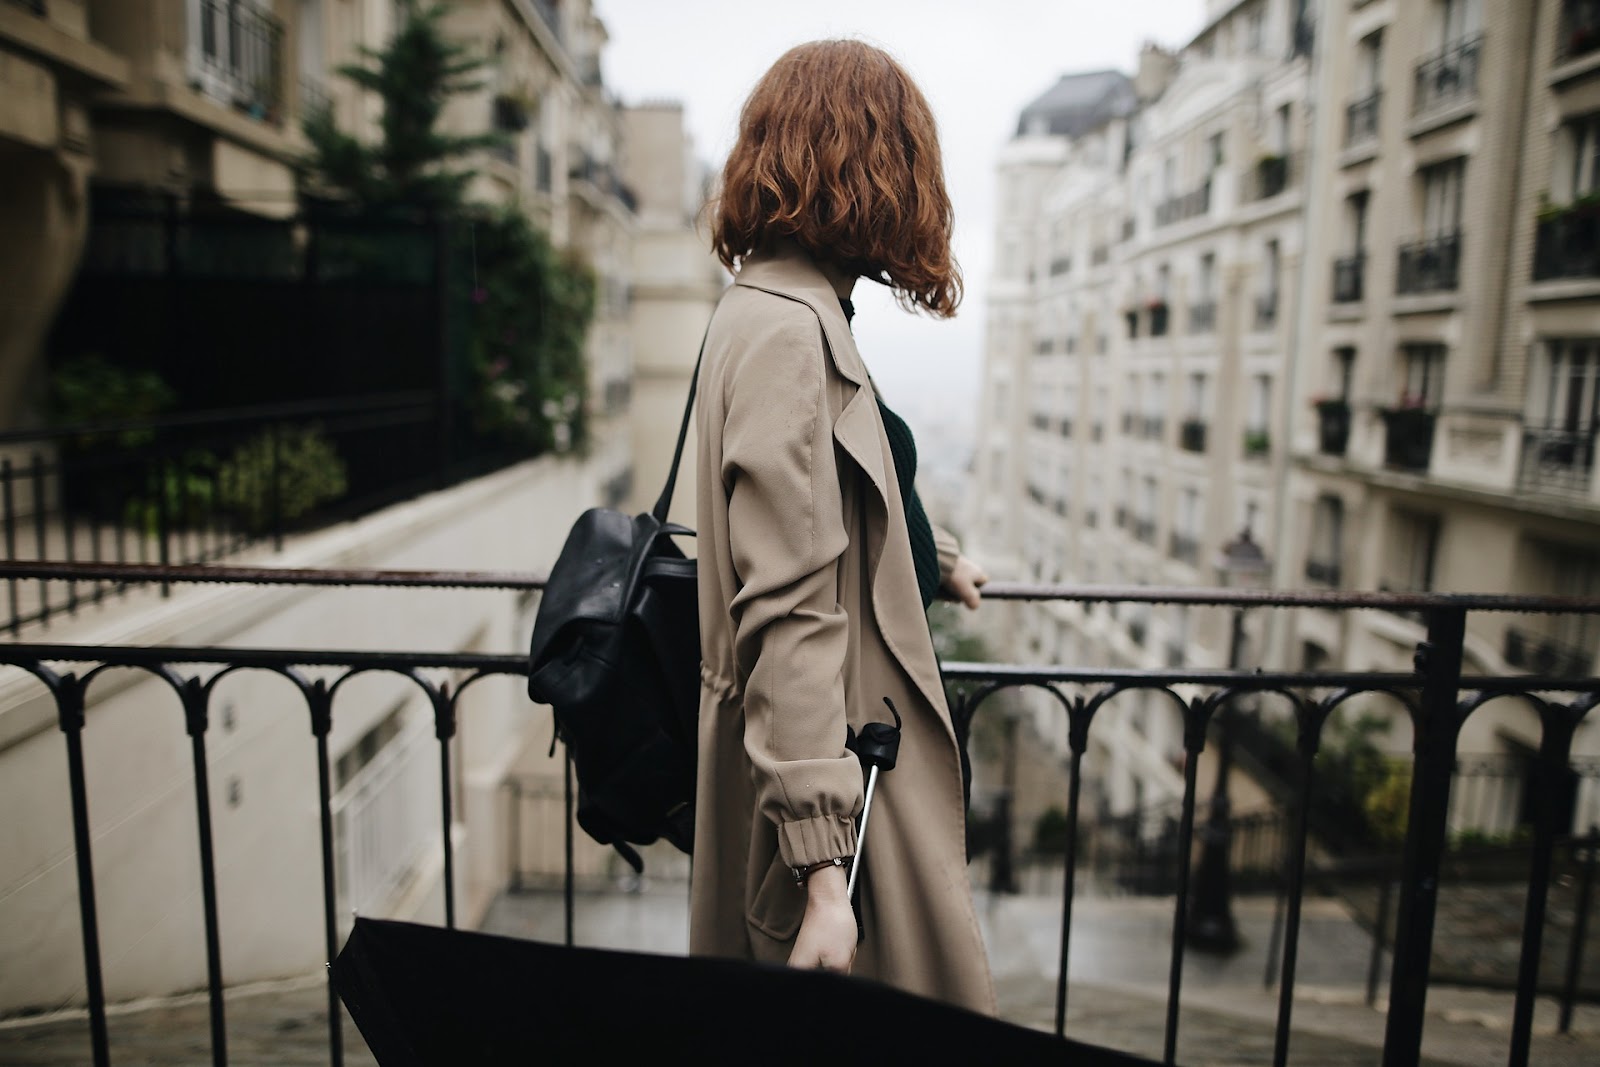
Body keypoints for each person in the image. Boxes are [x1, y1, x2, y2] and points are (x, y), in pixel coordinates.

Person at [689, 39, 996, 1015]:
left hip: (830, 772)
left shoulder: (774, 305)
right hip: (838, 792)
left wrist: (927, 557)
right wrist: (825, 870)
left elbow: (828, 492)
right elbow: (787, 604)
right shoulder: (789, 329)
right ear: (869, 164)